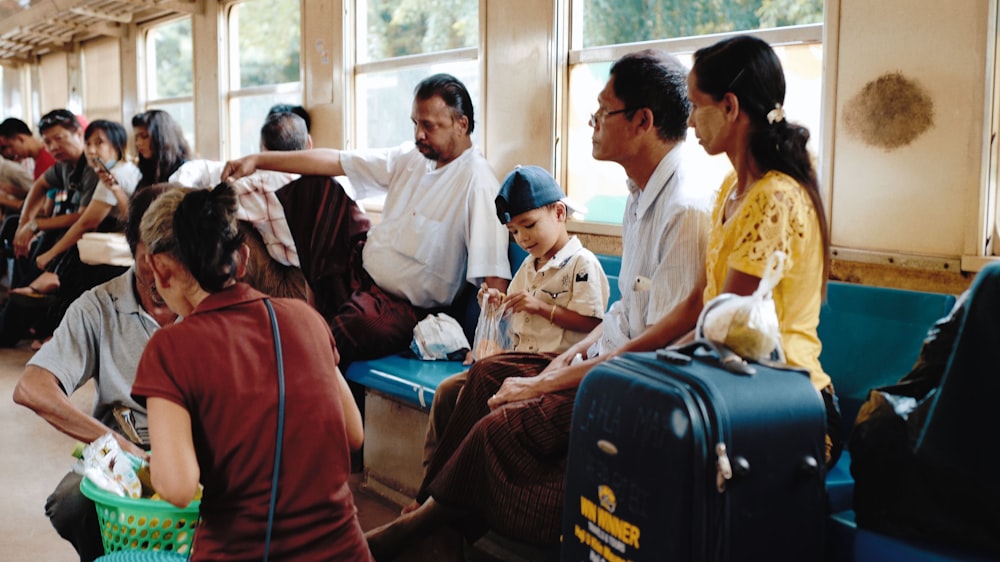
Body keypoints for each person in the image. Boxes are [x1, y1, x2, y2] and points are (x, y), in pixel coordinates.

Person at [364, 50, 712, 558]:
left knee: (502, 423)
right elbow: (623, 317)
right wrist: (572, 357)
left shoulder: (684, 207)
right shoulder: (641, 196)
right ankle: (432, 516)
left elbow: (656, 345)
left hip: (638, 381)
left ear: (642, 121)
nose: (592, 124)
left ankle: (431, 524)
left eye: (602, 112)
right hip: (606, 358)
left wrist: (550, 378)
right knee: (485, 378)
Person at [131, 183, 372, 560]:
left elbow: (178, 488)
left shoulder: (170, 347)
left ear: (160, 270)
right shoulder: (304, 318)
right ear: (241, 258)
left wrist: (160, 461)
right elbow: (353, 432)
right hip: (344, 551)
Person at [222, 73, 511, 366]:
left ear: (461, 124)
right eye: (415, 123)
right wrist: (257, 160)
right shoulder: (412, 157)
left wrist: (487, 343)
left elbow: (494, 278)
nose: (419, 135)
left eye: (429, 126)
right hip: (360, 266)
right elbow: (336, 161)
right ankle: (320, 308)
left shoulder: (478, 182)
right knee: (316, 188)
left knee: (350, 329)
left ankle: (293, 355)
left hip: (402, 306)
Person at [12, 184, 178, 562]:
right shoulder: (98, 307)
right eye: (148, 259)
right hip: (125, 454)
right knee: (73, 503)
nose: (160, 275)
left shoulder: (211, 308)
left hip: (198, 448)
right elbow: (32, 387)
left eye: (173, 259)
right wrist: (120, 446)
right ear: (131, 248)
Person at [417, 165, 609, 485]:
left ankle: (445, 488)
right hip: (518, 360)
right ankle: (432, 479)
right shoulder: (529, 266)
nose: (522, 238)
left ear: (559, 212)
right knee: (447, 393)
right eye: (514, 233)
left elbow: (594, 324)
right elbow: (515, 307)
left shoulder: (581, 264)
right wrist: (494, 301)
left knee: (478, 392)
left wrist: (543, 308)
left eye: (529, 226)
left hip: (552, 365)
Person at [12, 120, 140, 298]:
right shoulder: (111, 170)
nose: (92, 150)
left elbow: (87, 221)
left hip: (113, 243)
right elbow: (42, 189)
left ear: (118, 145)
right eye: (88, 144)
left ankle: (42, 283)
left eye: (99, 143)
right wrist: (25, 224)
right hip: (115, 236)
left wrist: (50, 254)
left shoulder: (115, 174)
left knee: (66, 237)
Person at [132, 109, 191, 188]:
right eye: (136, 138)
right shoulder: (149, 169)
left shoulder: (184, 172)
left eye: (144, 136)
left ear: (161, 138)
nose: (138, 143)